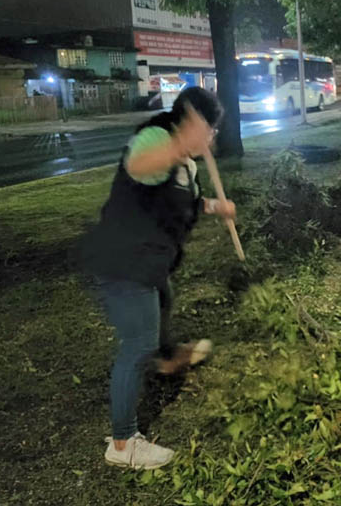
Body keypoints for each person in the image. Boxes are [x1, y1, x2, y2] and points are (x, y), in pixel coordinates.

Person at [80, 87, 235, 470]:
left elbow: (186, 200)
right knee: (136, 345)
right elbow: (140, 166)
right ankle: (123, 443)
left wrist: (216, 206)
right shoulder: (157, 137)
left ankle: (167, 360)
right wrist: (182, 141)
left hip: (149, 264)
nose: (211, 138)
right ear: (190, 121)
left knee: (164, 297)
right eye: (209, 129)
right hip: (123, 261)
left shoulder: (188, 164)